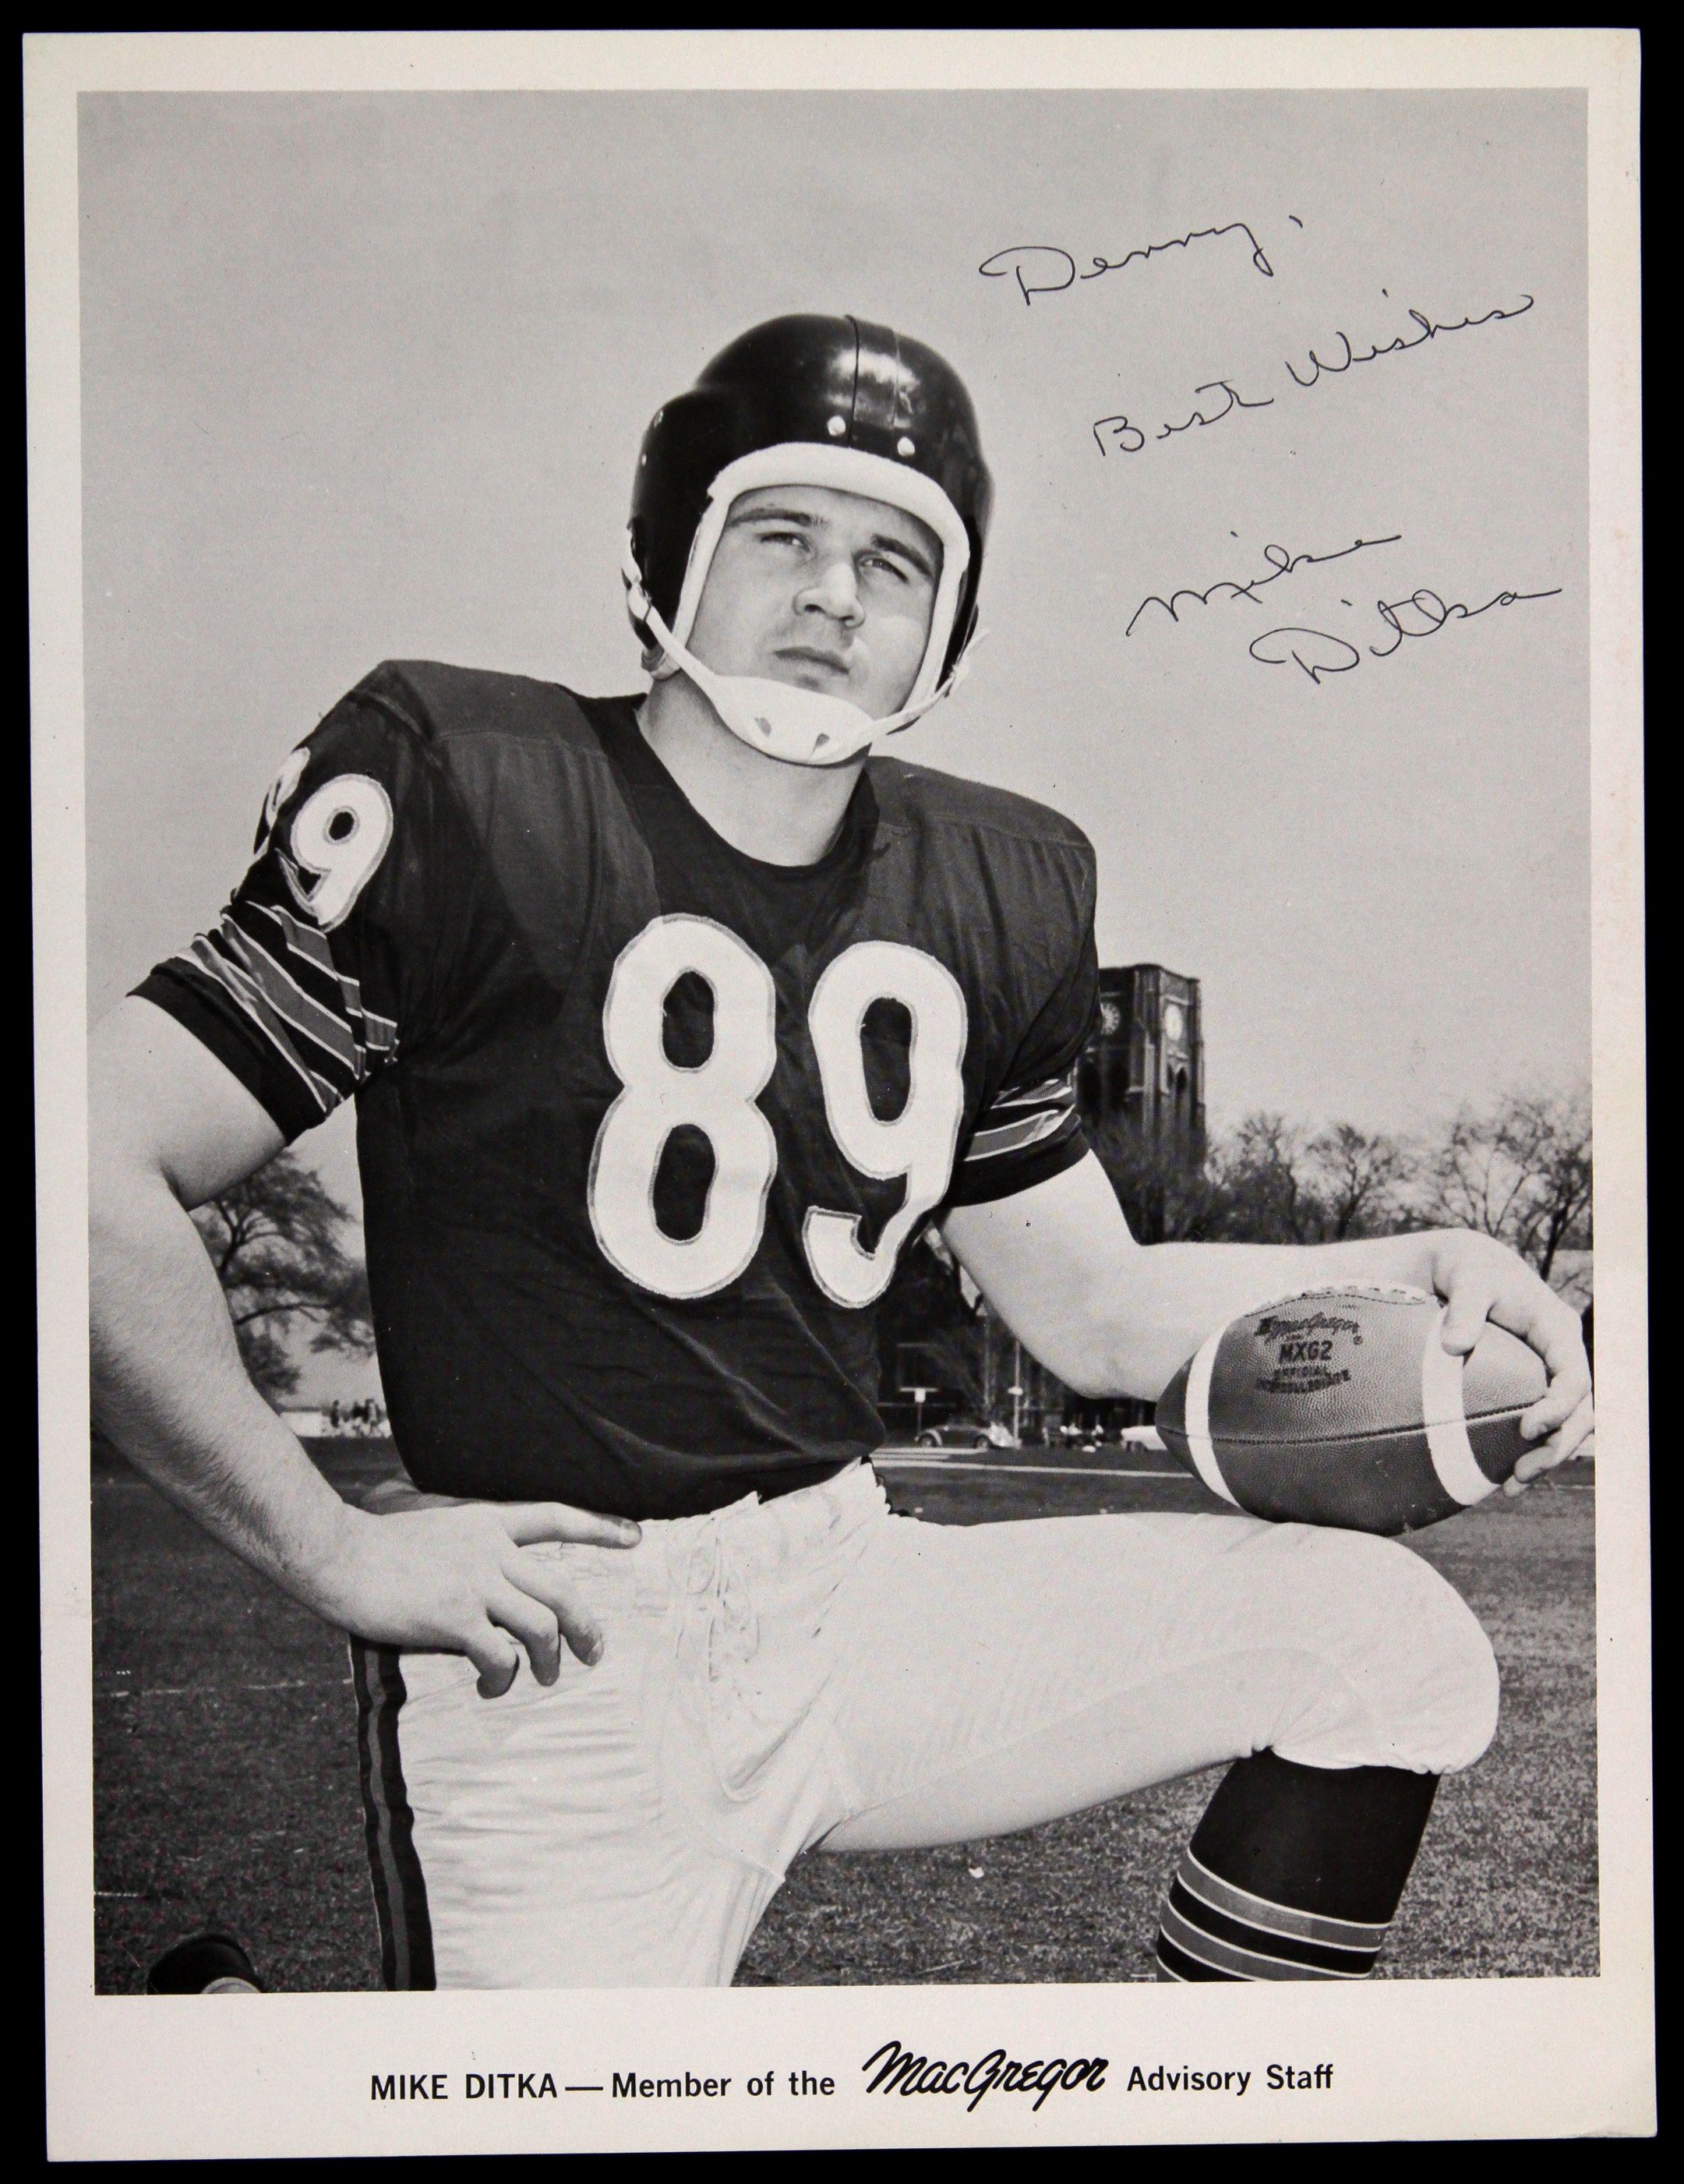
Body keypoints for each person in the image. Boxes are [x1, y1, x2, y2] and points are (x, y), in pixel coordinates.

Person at [90, 313, 1593, 1990]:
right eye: (780, 534)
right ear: (670, 557)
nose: (832, 595)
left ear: (944, 624)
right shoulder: (464, 782)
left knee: (1384, 1650)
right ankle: (233, 2050)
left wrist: (1409, 1264)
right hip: (563, 1644)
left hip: (847, 1584)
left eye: (893, 558)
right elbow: (85, 1170)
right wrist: (334, 1545)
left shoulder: (995, 880)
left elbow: (1093, 1308)